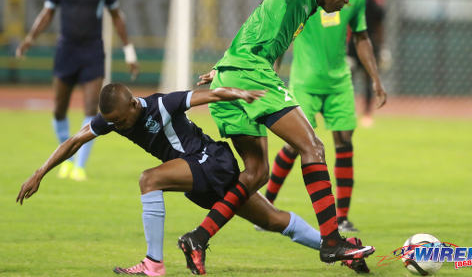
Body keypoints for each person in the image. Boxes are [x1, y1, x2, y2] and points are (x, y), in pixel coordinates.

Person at [15, 83, 369, 276]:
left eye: (123, 121)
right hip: (199, 174)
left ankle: (153, 264)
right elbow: (75, 139)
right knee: (276, 220)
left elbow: (204, 96)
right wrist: (39, 172)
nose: (120, 127)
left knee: (148, 179)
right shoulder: (112, 117)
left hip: (208, 161)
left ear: (134, 108)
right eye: (115, 123)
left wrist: (237, 92)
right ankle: (343, 250)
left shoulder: (159, 105)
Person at [187, 0, 375, 274]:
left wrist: (223, 68)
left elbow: (257, 28)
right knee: (314, 148)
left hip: (233, 75)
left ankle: (198, 237)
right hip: (251, 75)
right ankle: (332, 240)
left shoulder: (305, 9)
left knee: (256, 173)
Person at [265, 0, 387, 233]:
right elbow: (285, 30)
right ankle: (266, 204)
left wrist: (375, 78)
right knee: (296, 145)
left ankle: (342, 217)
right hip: (305, 80)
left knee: (344, 143)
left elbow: (361, 37)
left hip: (339, 82)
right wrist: (273, 68)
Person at [15, 0, 139, 181]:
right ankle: (68, 158)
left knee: (92, 107)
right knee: (59, 109)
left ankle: (79, 166)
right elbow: (48, 12)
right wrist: (30, 38)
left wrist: (129, 51)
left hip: (93, 51)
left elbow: (117, 16)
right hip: (66, 51)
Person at [348, 0, 386, 128]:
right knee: (347, 77)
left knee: (368, 78)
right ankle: (348, 109)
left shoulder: (379, 2)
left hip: (370, 45)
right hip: (353, 44)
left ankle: (367, 113)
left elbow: (380, 26)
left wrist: (382, 48)